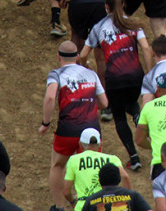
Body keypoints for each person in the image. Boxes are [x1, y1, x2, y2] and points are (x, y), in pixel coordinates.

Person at [80, 0, 150, 171]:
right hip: (136, 75)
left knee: (118, 116)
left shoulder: (98, 27)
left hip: (115, 78)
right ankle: (138, 116)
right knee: (132, 102)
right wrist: (149, 72)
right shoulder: (134, 24)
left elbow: (83, 54)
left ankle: (134, 158)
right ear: (124, 4)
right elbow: (146, 48)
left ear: (106, 7)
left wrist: (85, 65)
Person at [41, 41, 108, 209]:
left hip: (67, 129)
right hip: (92, 128)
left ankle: (59, 206)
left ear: (58, 57)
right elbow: (104, 103)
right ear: (78, 56)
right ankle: (92, 205)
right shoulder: (91, 74)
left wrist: (45, 123)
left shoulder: (56, 74)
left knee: (58, 165)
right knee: (92, 167)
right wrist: (87, 105)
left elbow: (50, 97)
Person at [64, 127, 129, 204]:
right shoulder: (112, 159)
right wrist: (127, 200)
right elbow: (125, 176)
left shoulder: (73, 160)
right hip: (106, 204)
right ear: (100, 144)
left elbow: (66, 192)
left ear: (80, 144)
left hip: (84, 204)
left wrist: (73, 202)